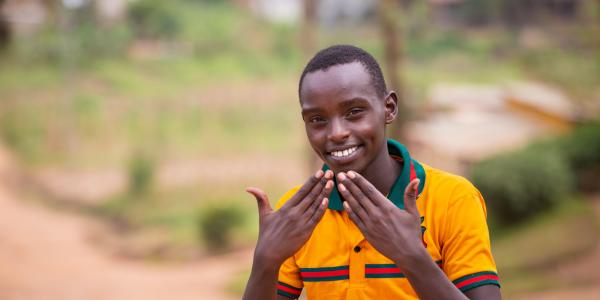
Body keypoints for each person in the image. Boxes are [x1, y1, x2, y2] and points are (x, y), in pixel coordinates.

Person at [242, 45, 501, 300]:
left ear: (389, 108)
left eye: (354, 112)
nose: (336, 133)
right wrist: (266, 260)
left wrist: (412, 256)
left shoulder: (452, 198)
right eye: (317, 119)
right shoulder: (301, 211)